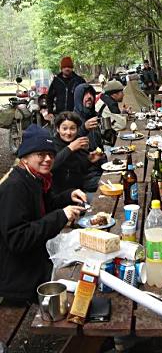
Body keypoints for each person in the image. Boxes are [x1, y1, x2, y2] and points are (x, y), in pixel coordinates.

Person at [0, 124, 86, 303]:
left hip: (34, 260)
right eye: (40, 154)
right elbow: (18, 239)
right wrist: (61, 216)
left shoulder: (35, 178)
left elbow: (47, 206)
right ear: (25, 157)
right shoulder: (15, 187)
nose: (48, 159)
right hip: (18, 278)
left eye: (51, 155)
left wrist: (68, 195)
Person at [52, 112, 105, 194]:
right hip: (65, 192)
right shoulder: (52, 144)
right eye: (64, 129)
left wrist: (89, 160)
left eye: (72, 128)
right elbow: (52, 165)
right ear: (58, 129)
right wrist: (70, 148)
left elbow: (78, 169)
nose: (68, 133)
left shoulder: (77, 140)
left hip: (81, 184)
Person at [95, 80, 128, 146]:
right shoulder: (110, 104)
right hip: (104, 140)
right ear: (114, 94)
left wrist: (123, 113)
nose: (123, 95)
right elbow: (121, 125)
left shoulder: (104, 98)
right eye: (121, 92)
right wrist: (124, 115)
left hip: (100, 132)